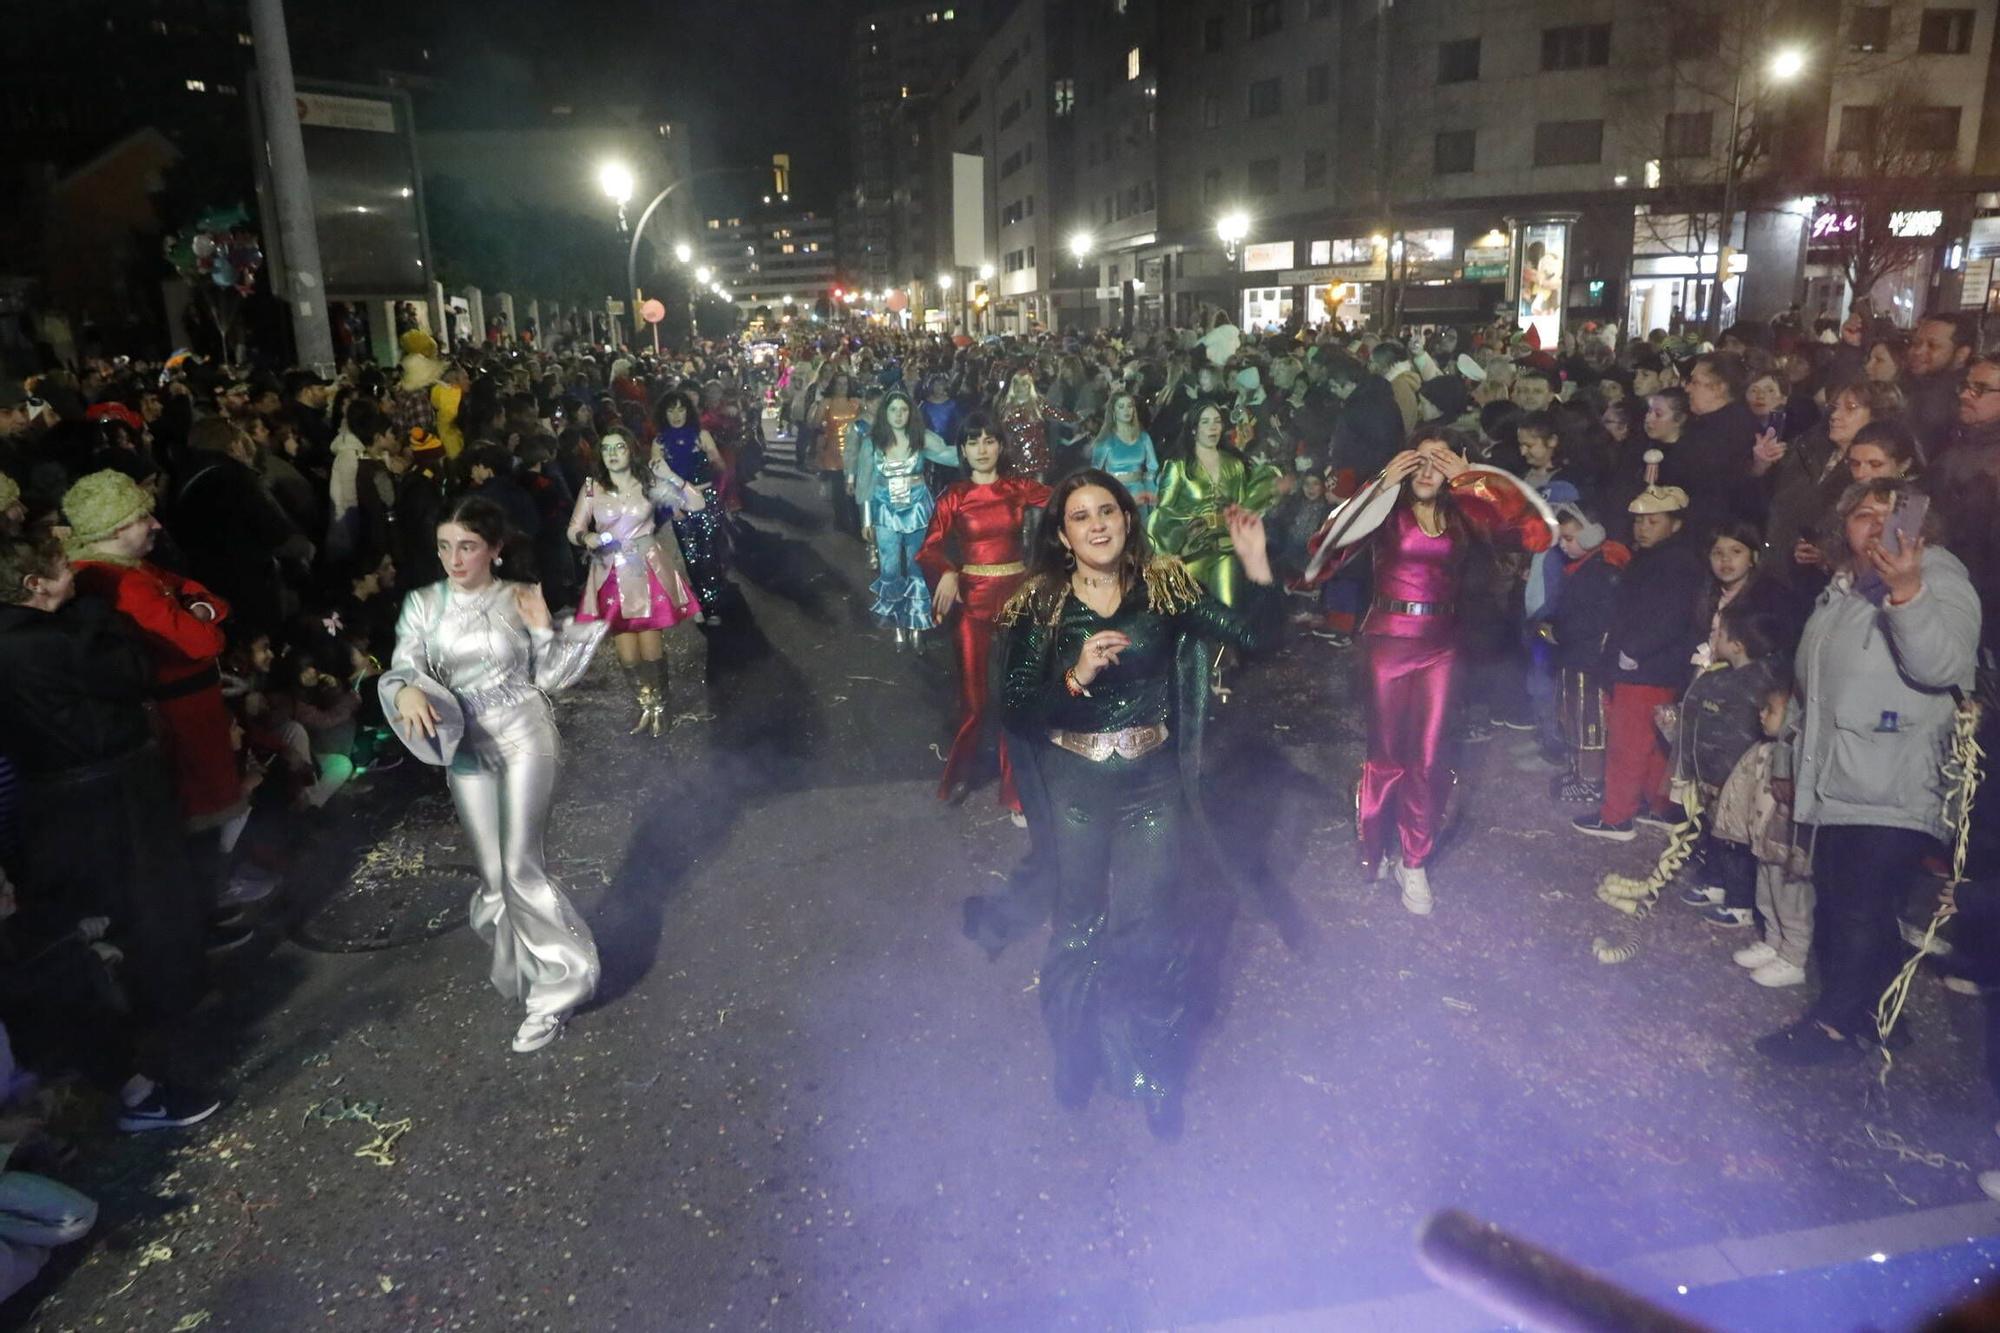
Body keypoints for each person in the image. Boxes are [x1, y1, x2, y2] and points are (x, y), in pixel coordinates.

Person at [998, 470, 1281, 1137]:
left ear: (1127, 519)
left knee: (1148, 929)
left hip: (1150, 785)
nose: (1097, 524)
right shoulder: (1041, 603)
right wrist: (1077, 675)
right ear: (1063, 535)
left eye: (1107, 511)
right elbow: (1014, 705)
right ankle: (1075, 1055)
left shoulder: (1164, 587)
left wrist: (1257, 565)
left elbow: (1253, 637)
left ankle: (1152, 1070)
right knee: (1077, 926)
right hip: (1077, 787)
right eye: (1080, 516)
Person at [1757, 479, 1980, 1064]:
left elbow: (1946, 666)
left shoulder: (1941, 577)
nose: (1875, 523)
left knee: (1857, 904)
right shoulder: (1842, 590)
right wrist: (1787, 759)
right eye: (1862, 513)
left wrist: (1908, 593)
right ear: (1844, 528)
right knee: (1848, 900)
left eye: (1890, 512)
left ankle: (1833, 1025)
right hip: (1837, 773)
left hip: (1896, 775)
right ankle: (1882, 1014)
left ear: (1922, 527)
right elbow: (1810, 691)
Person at [380, 496, 608, 1053]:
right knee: (491, 878)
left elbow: (551, 678)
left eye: (468, 546)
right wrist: (405, 686)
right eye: (444, 546)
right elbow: (404, 662)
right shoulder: (422, 604)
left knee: (519, 867)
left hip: (525, 732)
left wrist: (544, 632)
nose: (454, 559)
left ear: (495, 550)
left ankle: (558, 991)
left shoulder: (520, 596)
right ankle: (529, 966)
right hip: (465, 746)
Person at [1308, 428, 1554, 912]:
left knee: (1427, 755)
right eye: (1417, 460)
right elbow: (1325, 547)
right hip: (1386, 640)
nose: (1426, 470)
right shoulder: (1386, 513)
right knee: (1385, 755)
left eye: (1437, 461)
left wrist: (1472, 480)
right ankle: (1374, 847)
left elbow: (1534, 533)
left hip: (1440, 645)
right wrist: (1378, 486)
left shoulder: (1464, 513)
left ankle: (1414, 860)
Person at [918, 414, 1050, 817]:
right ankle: (960, 770)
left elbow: (1066, 500)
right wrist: (948, 571)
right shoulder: (954, 496)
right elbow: (929, 548)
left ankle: (1017, 793)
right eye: (973, 442)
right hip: (973, 602)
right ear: (962, 451)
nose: (982, 449)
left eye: (989, 441)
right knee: (975, 701)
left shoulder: (1017, 488)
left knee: (1017, 696)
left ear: (1000, 446)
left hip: (1017, 600)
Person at [1574, 477, 1707, 841]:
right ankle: (1660, 805)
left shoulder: (1674, 563)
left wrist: (1633, 652)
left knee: (1627, 743)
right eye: (1640, 521)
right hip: (1654, 665)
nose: (1643, 527)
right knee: (1651, 742)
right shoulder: (1662, 558)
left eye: (1653, 521)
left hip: (1645, 666)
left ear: (1675, 524)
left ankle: (1616, 816)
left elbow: (1669, 616)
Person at [567, 432, 704, 737]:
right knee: (627, 654)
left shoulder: (648, 483)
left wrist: (672, 477)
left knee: (649, 643)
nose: (612, 453)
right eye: (606, 448)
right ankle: (646, 703)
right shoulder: (592, 487)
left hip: (645, 569)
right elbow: (574, 528)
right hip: (609, 571)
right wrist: (585, 537)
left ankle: (661, 707)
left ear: (631, 451)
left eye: (619, 447)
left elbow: (696, 503)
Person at [1149, 402, 1282, 698]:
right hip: (1189, 551)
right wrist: (1183, 529)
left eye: (1217, 422)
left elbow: (1244, 503)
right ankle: (1186, 671)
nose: (1212, 427)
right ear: (1194, 428)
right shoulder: (1178, 467)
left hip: (1224, 549)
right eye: (1206, 422)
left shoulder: (1234, 465)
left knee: (1225, 605)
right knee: (1193, 612)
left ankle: (1217, 670)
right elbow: (1164, 512)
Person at [847, 390, 960, 648]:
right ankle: (898, 623)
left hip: (917, 509)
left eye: (903, 410)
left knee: (916, 566)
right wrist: (866, 519)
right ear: (885, 414)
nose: (898, 415)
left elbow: (947, 454)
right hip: (885, 510)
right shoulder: (872, 442)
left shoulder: (921, 438)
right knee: (889, 568)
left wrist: (979, 449)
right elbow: (866, 482)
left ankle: (916, 623)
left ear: (911, 413)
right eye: (893, 410)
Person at [653, 390, 733, 623]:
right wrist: (672, 508)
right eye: (671, 410)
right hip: (679, 505)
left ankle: (712, 605)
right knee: (691, 556)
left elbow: (720, 466)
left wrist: (715, 465)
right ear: (663, 413)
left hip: (706, 500)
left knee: (708, 552)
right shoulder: (659, 443)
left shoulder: (702, 436)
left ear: (688, 411)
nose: (676, 415)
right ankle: (700, 597)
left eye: (681, 409)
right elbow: (656, 481)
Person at [1904, 313, 1975, 460]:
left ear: (1961, 354)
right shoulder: (1913, 386)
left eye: (1933, 346)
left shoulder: (1958, 399)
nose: (1918, 351)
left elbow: (1913, 464)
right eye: (1916, 343)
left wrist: (1897, 478)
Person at [1090, 390, 1161, 520]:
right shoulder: (1105, 440)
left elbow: (1153, 467)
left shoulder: (1143, 437)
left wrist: (1150, 490)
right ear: (1113, 411)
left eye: (1130, 406)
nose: (1126, 410)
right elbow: (1095, 472)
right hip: (1114, 493)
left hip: (1139, 492)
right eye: (1121, 407)